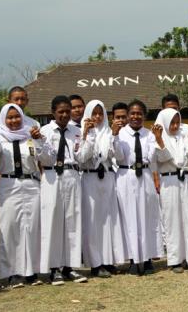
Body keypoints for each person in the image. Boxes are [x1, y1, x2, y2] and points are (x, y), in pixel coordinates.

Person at [0, 104, 43, 289]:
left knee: (32, 228)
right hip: (9, 185)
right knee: (9, 228)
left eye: (17, 117)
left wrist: (39, 140)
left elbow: (41, 159)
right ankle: (12, 273)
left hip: (31, 184)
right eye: (10, 118)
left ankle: (31, 272)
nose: (14, 121)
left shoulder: (30, 135)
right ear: (3, 119)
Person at [38, 95, 87, 285]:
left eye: (68, 111)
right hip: (52, 176)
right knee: (53, 220)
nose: (65, 114)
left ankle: (70, 266)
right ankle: (54, 268)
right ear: (53, 112)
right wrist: (40, 141)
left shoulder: (77, 131)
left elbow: (81, 155)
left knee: (72, 220)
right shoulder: (45, 131)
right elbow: (43, 158)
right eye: (61, 111)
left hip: (72, 175)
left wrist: (87, 137)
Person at [78, 100, 126, 278]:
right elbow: (82, 157)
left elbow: (119, 156)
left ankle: (108, 260)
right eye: (94, 113)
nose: (97, 117)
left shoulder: (108, 132)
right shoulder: (82, 132)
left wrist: (114, 135)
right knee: (92, 222)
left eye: (100, 113)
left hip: (107, 178)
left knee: (108, 220)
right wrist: (87, 134)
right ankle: (95, 263)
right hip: (90, 177)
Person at [114, 100, 163, 275]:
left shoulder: (149, 135)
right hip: (126, 176)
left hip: (145, 177)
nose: (135, 117)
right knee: (129, 218)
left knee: (146, 216)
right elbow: (119, 156)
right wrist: (114, 136)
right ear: (127, 115)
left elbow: (150, 157)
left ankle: (148, 258)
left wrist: (157, 139)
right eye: (132, 113)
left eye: (139, 113)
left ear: (144, 116)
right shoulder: (120, 134)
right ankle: (134, 260)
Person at [151, 108, 188, 273]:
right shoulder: (158, 139)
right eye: (171, 122)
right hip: (169, 180)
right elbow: (164, 158)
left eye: (177, 122)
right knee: (173, 220)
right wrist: (159, 140)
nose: (175, 125)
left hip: (186, 179)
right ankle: (174, 260)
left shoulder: (183, 136)